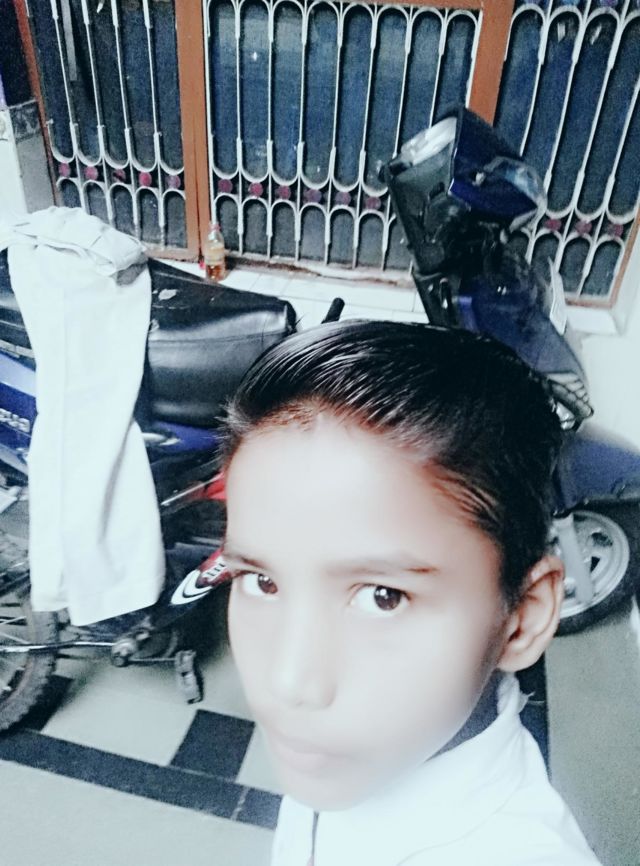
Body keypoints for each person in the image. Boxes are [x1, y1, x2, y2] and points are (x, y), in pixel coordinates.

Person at [219, 321, 602, 866]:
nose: (290, 684)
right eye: (262, 582)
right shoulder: (350, 754)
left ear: (523, 617)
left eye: (383, 597)